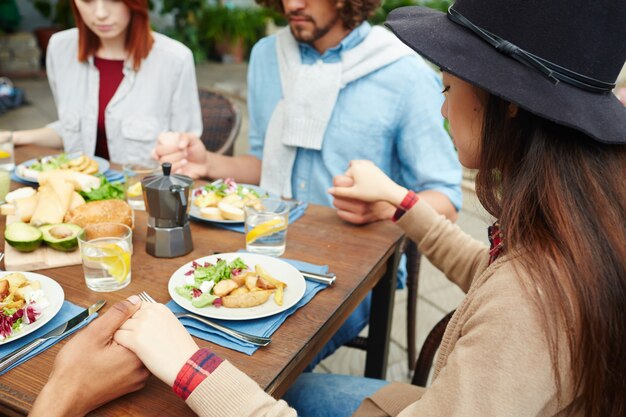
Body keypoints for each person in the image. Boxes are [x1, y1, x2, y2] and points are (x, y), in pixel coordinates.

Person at [33, 0, 626, 415]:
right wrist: (399, 203)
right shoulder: (572, 228)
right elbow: (490, 276)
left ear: (511, 103)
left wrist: (189, 367)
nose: (441, 96)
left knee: (200, 380)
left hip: (351, 286)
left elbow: (507, 302)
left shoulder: (531, 303)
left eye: (451, 80)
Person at [154, 0, 462, 368]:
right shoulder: (268, 55)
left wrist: (384, 207)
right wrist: (208, 163)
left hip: (356, 268)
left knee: (249, 364)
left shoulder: (403, 72)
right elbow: (266, 166)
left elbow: (446, 199)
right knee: (171, 329)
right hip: (264, 244)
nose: (293, 4)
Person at [4, 0, 201, 164]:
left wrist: (176, 151)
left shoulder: (174, 59)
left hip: (141, 199)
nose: (100, 13)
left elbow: (186, 151)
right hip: (79, 194)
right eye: (87, 0)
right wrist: (14, 137)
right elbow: (75, 128)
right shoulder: (60, 48)